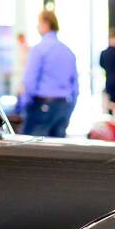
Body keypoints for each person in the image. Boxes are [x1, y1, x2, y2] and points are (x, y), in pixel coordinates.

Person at [18, 10, 78, 138]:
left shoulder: (39, 50)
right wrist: (69, 108)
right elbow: (75, 87)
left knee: (32, 152)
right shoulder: (68, 51)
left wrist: (24, 105)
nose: (37, 27)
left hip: (42, 107)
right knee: (56, 153)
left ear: (45, 24)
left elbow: (29, 82)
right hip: (64, 107)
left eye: (38, 23)